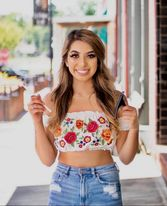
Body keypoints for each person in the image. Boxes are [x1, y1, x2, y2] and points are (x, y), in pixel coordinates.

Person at [28, 29, 139, 206]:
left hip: (105, 184)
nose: (82, 63)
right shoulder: (53, 100)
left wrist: (134, 127)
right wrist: (36, 122)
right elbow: (47, 159)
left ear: (99, 60)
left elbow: (126, 157)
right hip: (64, 185)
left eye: (90, 55)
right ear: (65, 60)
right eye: (74, 55)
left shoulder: (115, 100)